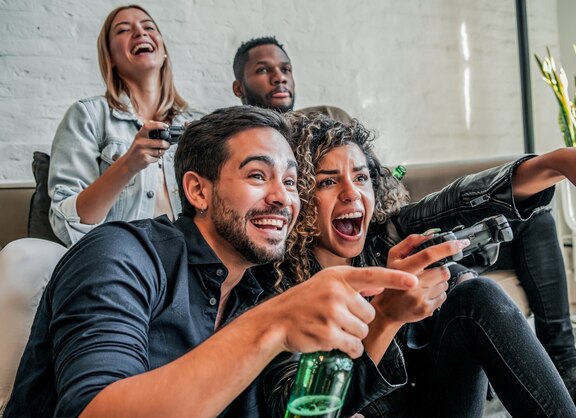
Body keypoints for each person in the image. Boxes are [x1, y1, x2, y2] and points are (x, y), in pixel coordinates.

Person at [232, 35, 576, 417]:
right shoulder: (274, 280)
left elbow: (456, 200)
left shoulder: (382, 235)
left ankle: (568, 372)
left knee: (478, 296)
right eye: (328, 181)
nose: (353, 194)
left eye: (362, 178)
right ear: (298, 194)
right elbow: (296, 406)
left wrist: (554, 164)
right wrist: (385, 318)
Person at [3, 106, 423, 418]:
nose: (283, 197)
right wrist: (273, 324)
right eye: (258, 175)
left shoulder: (255, 290)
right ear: (198, 192)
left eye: (292, 181)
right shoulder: (119, 255)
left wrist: (385, 317)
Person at [48, 4, 203, 247]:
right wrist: (127, 164)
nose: (140, 33)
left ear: (163, 50)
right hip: (121, 258)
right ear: (109, 57)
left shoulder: (200, 123)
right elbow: (66, 224)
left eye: (148, 27)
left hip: (191, 260)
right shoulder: (88, 115)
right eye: (122, 30)